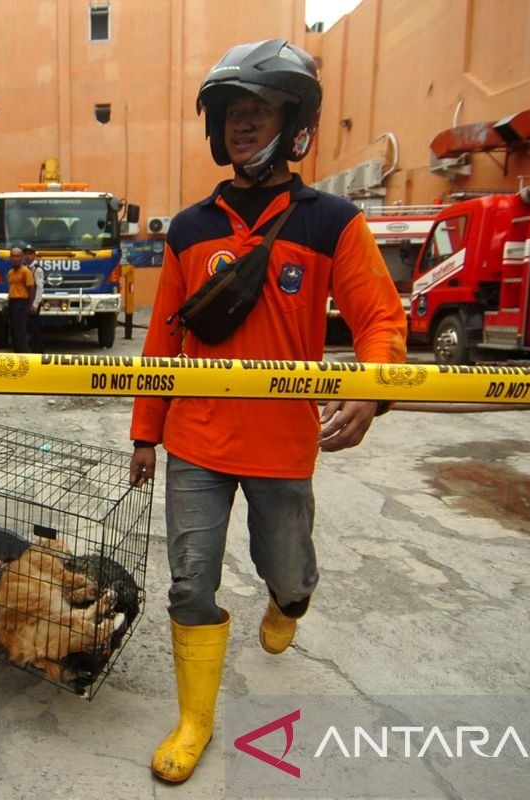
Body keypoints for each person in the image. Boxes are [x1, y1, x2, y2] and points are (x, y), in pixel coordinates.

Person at [128, 40, 407, 784]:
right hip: (195, 439)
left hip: (284, 445)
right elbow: (163, 338)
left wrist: (370, 387)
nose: (244, 125)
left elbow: (380, 319)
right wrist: (145, 432)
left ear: (295, 124)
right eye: (233, 114)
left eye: (259, 111)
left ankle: (291, 600)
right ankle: (194, 721)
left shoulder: (333, 223)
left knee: (283, 569)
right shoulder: (188, 229)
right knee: (191, 581)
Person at [5, 247, 34, 353]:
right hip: (12, 303)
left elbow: (31, 288)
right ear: (10, 257)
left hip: (22, 304)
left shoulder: (26, 271)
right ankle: (16, 355)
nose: (15, 258)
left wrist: (32, 305)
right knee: (13, 333)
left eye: (18, 256)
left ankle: (24, 357)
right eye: (13, 256)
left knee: (21, 333)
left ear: (22, 258)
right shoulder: (10, 272)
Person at [24, 245, 45, 352]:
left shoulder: (37, 270)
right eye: (26, 254)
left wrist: (35, 304)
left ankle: (39, 351)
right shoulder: (26, 268)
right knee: (29, 327)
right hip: (27, 302)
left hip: (34, 303)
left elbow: (39, 288)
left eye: (30, 254)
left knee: (34, 328)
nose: (27, 256)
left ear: (34, 255)